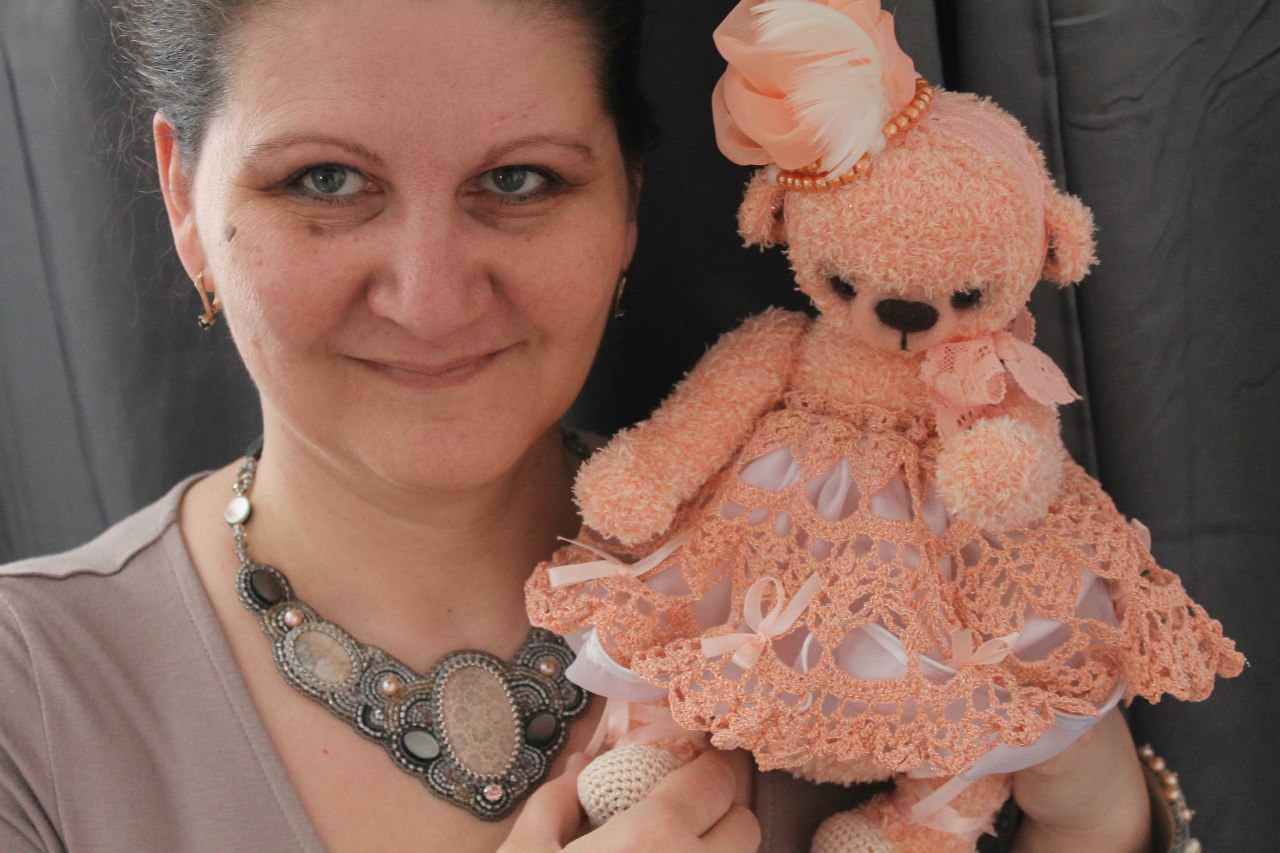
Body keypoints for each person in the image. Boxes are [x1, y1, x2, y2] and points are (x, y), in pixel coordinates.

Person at [0, 0, 1175, 851]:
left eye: (518, 180)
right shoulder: (24, 703)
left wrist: (1098, 826)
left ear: (627, 208)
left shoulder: (854, 598)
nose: (429, 296)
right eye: (323, 181)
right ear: (184, 200)